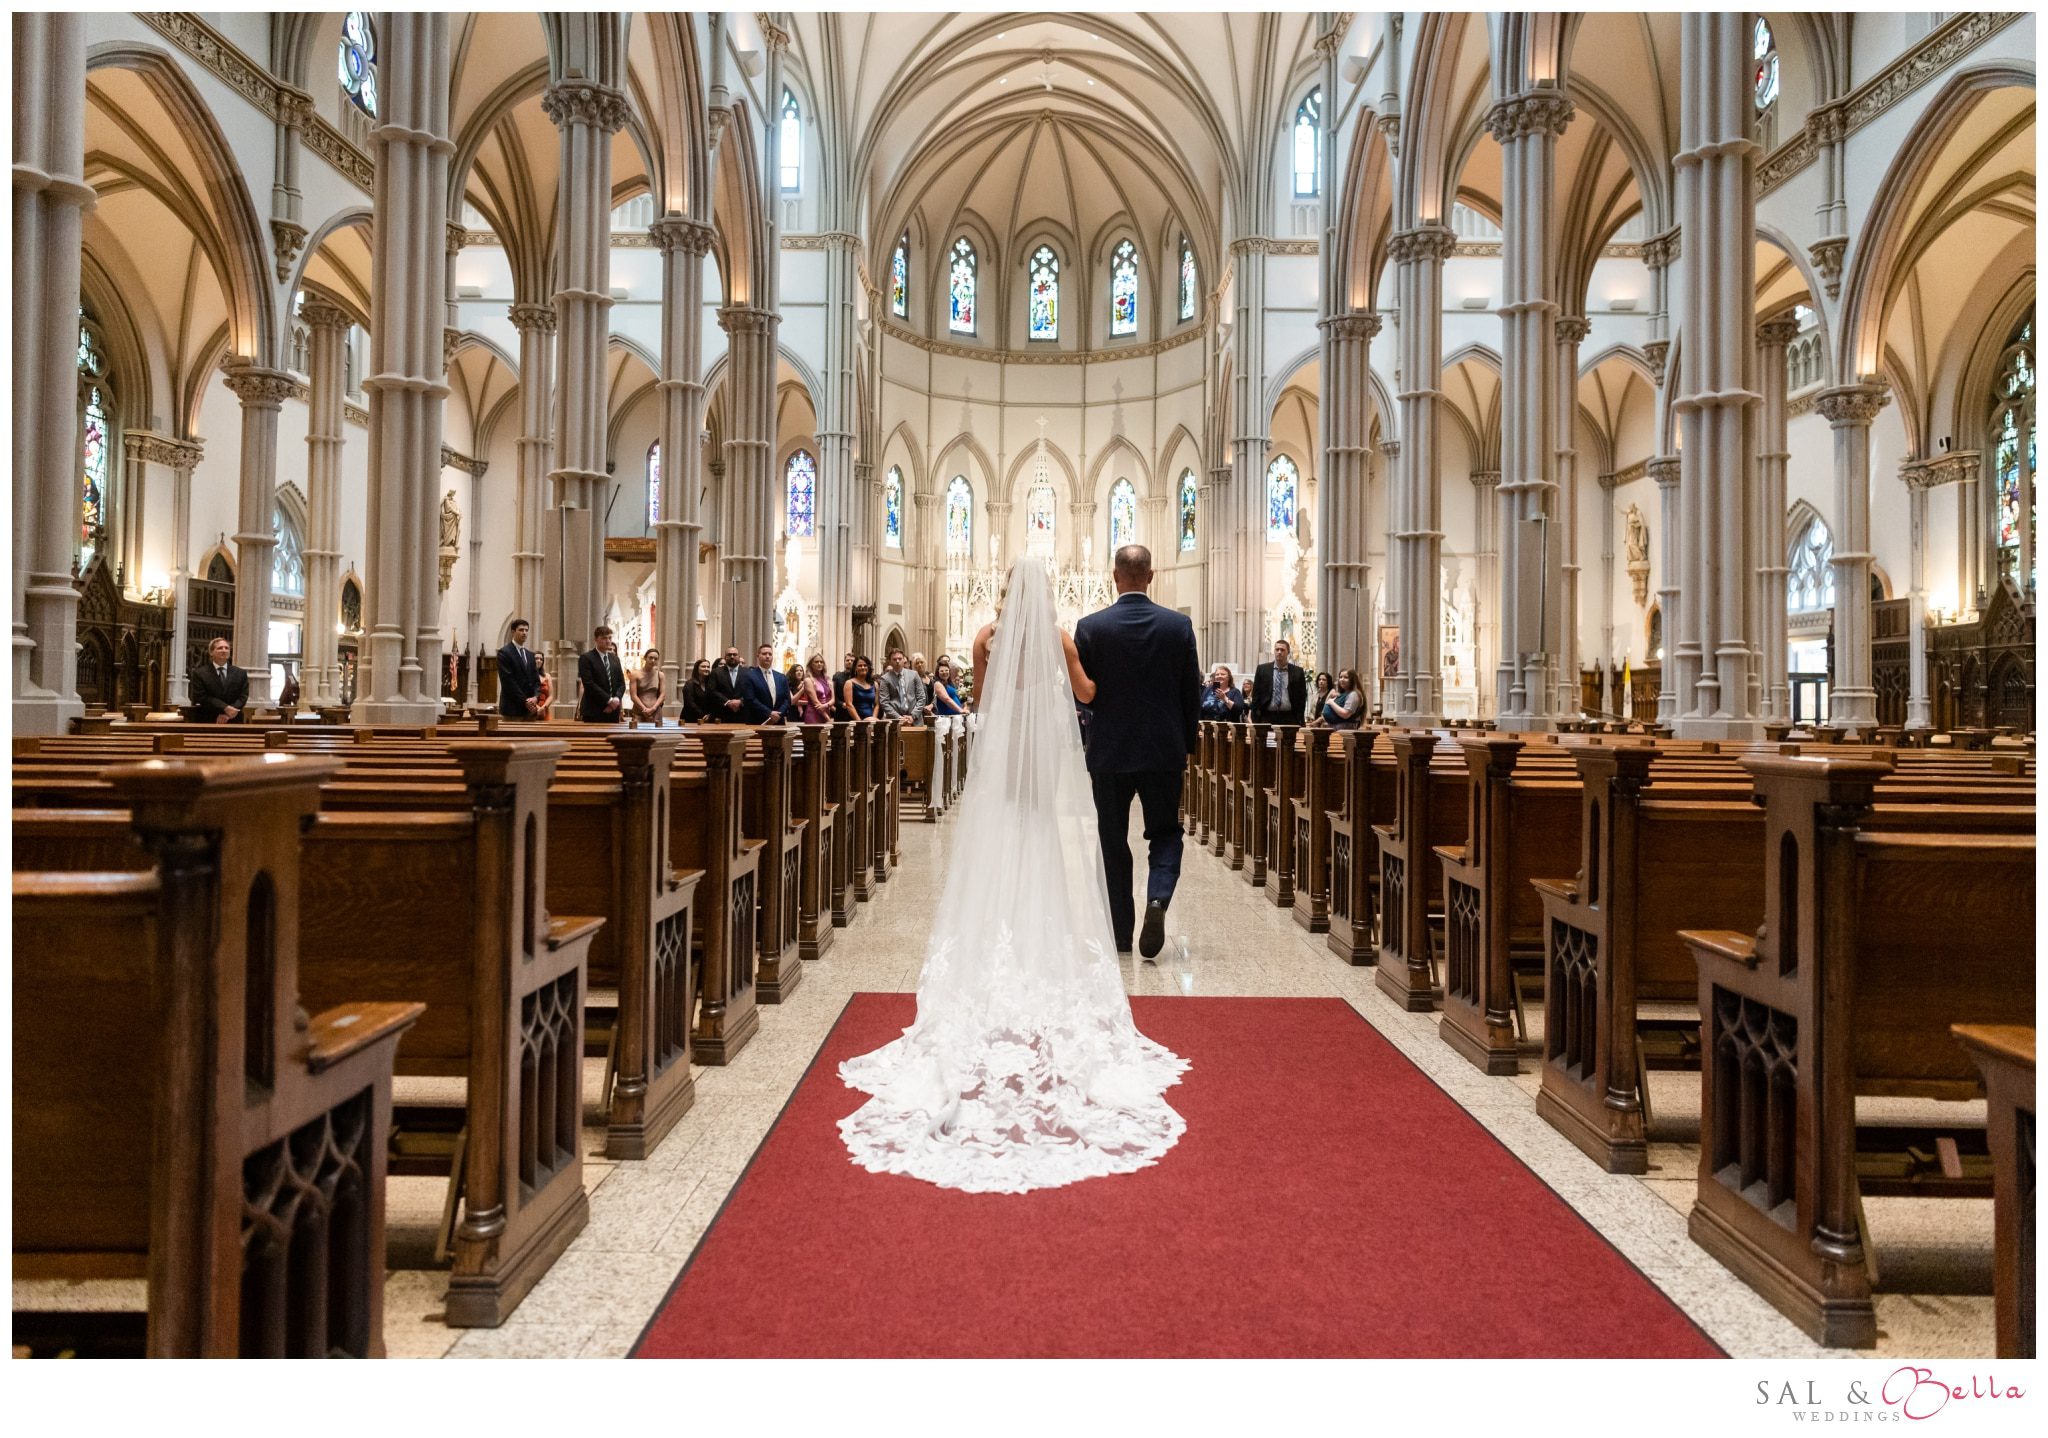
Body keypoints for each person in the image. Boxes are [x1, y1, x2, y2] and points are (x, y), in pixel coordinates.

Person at [838, 558, 1188, 1195]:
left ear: (1002, 594)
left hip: (1003, 759)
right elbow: (1085, 694)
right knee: (1042, 839)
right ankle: (1048, 945)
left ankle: (997, 940)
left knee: (1001, 842)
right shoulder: (1058, 637)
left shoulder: (983, 637)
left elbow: (980, 699)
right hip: (1044, 762)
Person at [1075, 543, 1204, 960]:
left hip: (1109, 753)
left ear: (1115, 576)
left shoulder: (1091, 627)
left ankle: (1119, 934)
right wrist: (1187, 744)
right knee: (1165, 833)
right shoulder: (1177, 626)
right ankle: (1157, 900)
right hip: (1162, 752)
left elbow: (1085, 696)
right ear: (1151, 576)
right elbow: (1191, 695)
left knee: (1113, 841)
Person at [187, 636, 249, 724]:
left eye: (226, 648)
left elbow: (243, 696)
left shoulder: (240, 673)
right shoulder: (200, 673)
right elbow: (201, 697)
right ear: (211, 652)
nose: (224, 650)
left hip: (234, 719)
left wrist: (229, 713)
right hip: (209, 718)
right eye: (220, 648)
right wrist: (225, 708)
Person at [1252, 638, 1308, 727]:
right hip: (1267, 716)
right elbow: (1256, 695)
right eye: (1277, 649)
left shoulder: (1297, 672)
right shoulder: (1262, 669)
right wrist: (1256, 718)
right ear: (1274, 651)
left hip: (1289, 717)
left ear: (1288, 652)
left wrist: (1299, 717)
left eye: (1282, 650)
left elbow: (1302, 696)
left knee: (1289, 741)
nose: (1279, 652)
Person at [575, 625, 626, 722]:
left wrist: (616, 699)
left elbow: (621, 683)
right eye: (604, 638)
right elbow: (589, 683)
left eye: (610, 638)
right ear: (596, 639)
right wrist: (609, 701)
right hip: (594, 710)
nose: (608, 641)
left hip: (613, 711)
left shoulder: (614, 659)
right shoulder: (587, 658)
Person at [496, 619, 544, 719]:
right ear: (513, 632)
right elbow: (508, 682)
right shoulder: (504, 653)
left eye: (526, 630)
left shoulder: (530, 655)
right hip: (512, 709)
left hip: (530, 709)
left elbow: (536, 681)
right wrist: (525, 701)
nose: (524, 633)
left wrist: (535, 697)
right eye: (521, 630)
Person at [740, 643, 795, 724]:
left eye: (770, 654)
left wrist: (779, 714)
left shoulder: (781, 677)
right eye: (764, 654)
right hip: (758, 720)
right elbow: (750, 699)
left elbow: (787, 699)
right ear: (758, 656)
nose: (767, 656)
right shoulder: (749, 676)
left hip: (778, 721)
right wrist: (769, 713)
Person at [877, 648, 928, 723]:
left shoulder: (914, 675)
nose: (897, 661)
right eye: (894, 659)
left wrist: (913, 716)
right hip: (895, 721)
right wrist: (899, 717)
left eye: (900, 659)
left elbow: (922, 697)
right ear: (890, 661)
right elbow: (884, 702)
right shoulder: (885, 679)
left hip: (915, 720)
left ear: (904, 660)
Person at [706, 644, 748, 722]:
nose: (732, 656)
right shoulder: (716, 672)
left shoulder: (747, 672)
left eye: (734, 654)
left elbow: (751, 691)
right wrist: (727, 702)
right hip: (721, 715)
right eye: (729, 655)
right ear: (725, 657)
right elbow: (711, 690)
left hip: (742, 715)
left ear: (739, 657)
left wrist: (740, 701)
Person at [795, 655, 835, 724]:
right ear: (811, 664)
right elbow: (816, 703)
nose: (819, 663)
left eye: (821, 662)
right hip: (813, 714)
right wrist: (828, 719)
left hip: (826, 711)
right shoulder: (808, 680)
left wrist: (826, 706)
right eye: (816, 662)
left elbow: (833, 699)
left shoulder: (827, 679)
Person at [630, 648, 666, 724]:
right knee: (638, 735)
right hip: (639, 712)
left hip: (655, 712)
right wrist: (644, 709)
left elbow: (662, 695)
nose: (653, 660)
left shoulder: (660, 675)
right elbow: (633, 696)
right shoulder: (635, 674)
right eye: (650, 658)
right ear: (645, 658)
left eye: (656, 659)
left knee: (656, 735)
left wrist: (653, 708)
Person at [831, 651, 856, 721]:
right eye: (847, 660)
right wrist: (841, 704)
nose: (849, 662)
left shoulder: (858, 677)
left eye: (852, 660)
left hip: (855, 711)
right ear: (844, 662)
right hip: (840, 712)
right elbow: (833, 694)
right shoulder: (837, 676)